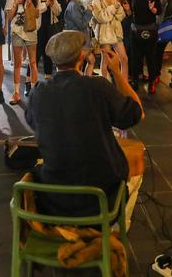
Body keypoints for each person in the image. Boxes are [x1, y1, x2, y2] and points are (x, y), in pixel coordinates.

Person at [25, 30, 143, 220]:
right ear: (82, 55)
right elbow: (137, 113)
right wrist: (116, 72)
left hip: (53, 201)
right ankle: (115, 228)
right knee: (136, 172)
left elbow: (33, 122)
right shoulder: (97, 87)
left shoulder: (38, 92)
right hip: (100, 201)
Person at [5, 0, 44, 105]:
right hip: (16, 31)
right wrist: (16, 3)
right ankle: (16, 93)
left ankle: (34, 92)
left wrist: (30, 5)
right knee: (17, 64)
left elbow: (37, 15)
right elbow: (9, 17)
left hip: (31, 32)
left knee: (33, 62)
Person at [123, 0, 161, 93]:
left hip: (150, 30)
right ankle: (134, 81)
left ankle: (152, 82)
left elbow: (159, 11)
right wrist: (128, 10)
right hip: (135, 31)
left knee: (150, 57)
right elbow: (129, 14)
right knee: (135, 57)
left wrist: (152, 9)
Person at [25, 0, 61, 84]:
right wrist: (47, 4)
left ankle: (48, 78)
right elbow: (36, 11)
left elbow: (58, 12)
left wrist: (53, 2)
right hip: (36, 29)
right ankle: (28, 80)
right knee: (34, 55)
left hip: (49, 28)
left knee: (48, 53)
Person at [92, 0, 127, 81]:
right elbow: (101, 17)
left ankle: (124, 82)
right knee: (105, 60)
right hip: (104, 33)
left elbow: (121, 16)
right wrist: (112, 9)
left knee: (124, 58)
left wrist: (114, 9)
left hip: (116, 32)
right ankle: (105, 83)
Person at [64, 0, 96, 76]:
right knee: (78, 65)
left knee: (90, 60)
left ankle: (85, 82)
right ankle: (80, 85)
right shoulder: (73, 5)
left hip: (82, 40)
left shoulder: (77, 3)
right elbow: (81, 24)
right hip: (77, 40)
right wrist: (89, 12)